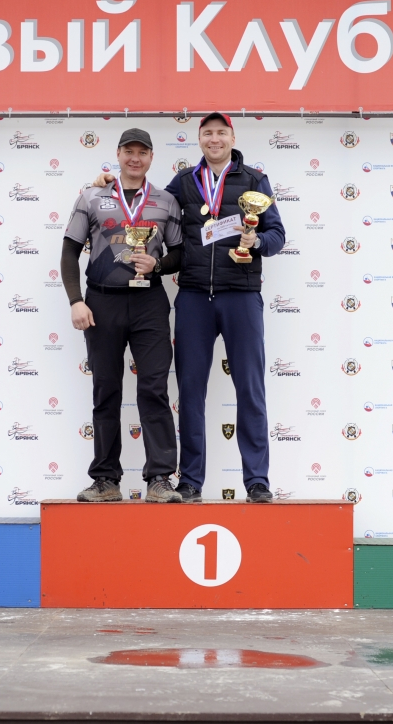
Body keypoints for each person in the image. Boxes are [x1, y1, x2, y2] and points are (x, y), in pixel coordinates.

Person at [96, 113, 286, 503]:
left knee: (250, 389)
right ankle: (191, 481)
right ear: (199, 139)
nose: (215, 139)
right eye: (208, 133)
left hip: (241, 295)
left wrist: (256, 243)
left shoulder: (255, 181)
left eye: (221, 133)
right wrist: (107, 185)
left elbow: (277, 235)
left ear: (232, 137)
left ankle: (257, 481)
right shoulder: (183, 182)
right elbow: (145, 204)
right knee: (191, 392)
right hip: (195, 297)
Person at [64, 128, 184, 503]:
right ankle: (105, 479)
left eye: (142, 152)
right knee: (106, 390)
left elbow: (179, 253)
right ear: (118, 154)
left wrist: (158, 265)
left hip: (149, 303)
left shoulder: (165, 201)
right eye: (128, 151)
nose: (135, 158)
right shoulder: (92, 196)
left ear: (151, 158)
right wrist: (75, 300)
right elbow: (69, 252)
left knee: (154, 389)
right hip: (101, 303)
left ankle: (160, 478)